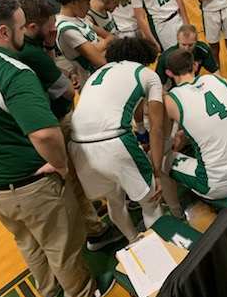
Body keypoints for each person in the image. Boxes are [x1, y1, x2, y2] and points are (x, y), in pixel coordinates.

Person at [0, 0, 106, 297]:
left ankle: (48, 290)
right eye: (21, 26)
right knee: (61, 244)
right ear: (3, 32)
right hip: (31, 184)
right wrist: (61, 164)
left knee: (26, 240)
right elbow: (44, 133)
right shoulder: (12, 72)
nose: (25, 32)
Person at [17, 0, 122, 251]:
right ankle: (95, 231)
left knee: (76, 173)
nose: (54, 27)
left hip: (48, 119)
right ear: (32, 27)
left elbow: (57, 77)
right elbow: (66, 89)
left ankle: (89, 210)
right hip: (53, 122)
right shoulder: (34, 54)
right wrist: (64, 80)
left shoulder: (29, 48)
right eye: (49, 24)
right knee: (72, 176)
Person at [69, 37, 164, 242]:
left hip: (77, 146)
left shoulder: (98, 73)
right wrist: (157, 172)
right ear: (144, 58)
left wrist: (138, 130)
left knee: (114, 199)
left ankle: (132, 241)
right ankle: (160, 257)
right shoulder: (147, 74)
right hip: (114, 142)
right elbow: (157, 127)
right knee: (151, 201)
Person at [162, 49, 227, 203]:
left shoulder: (171, 99)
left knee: (161, 159)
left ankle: (175, 213)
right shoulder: (216, 80)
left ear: (169, 73)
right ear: (194, 66)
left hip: (218, 185)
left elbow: (166, 139)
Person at [53, 0, 112, 88]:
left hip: (104, 75)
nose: (89, 6)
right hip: (95, 83)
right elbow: (99, 60)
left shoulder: (81, 18)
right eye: (87, 1)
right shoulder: (65, 28)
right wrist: (103, 43)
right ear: (74, 1)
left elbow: (110, 36)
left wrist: (98, 45)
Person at [156, 24, 219, 89]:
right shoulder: (166, 57)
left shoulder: (203, 50)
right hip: (174, 89)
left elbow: (215, 71)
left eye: (190, 45)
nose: (186, 48)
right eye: (183, 45)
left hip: (193, 86)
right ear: (178, 41)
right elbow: (158, 84)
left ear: (196, 41)